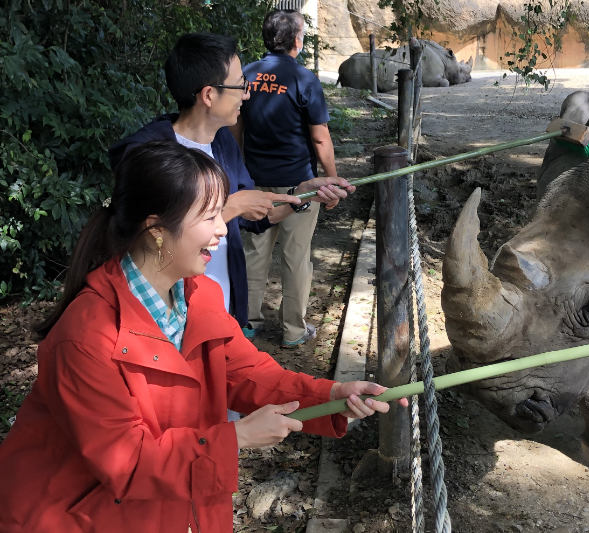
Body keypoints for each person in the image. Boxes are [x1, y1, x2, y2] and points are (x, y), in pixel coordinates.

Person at [0, 142, 404, 533]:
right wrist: (236, 438)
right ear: (157, 230)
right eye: (210, 217)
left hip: (169, 505)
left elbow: (248, 374)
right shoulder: (86, 336)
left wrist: (334, 395)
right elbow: (129, 461)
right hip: (83, 515)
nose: (222, 232)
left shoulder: (197, 295)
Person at [109, 32, 348, 339]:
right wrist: (231, 206)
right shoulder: (149, 152)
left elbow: (259, 217)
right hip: (162, 319)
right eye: (240, 86)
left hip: (217, 308)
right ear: (209, 95)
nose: (247, 96)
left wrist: (302, 193)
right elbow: (151, 236)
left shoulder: (223, 142)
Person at [230, 10, 337, 348]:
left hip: (255, 184)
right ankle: (293, 331)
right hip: (299, 187)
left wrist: (240, 175)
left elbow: (235, 130)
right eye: (302, 33)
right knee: (295, 257)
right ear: (295, 40)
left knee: (253, 255)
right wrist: (331, 181)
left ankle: (247, 322)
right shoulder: (304, 79)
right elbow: (320, 138)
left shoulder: (245, 75)